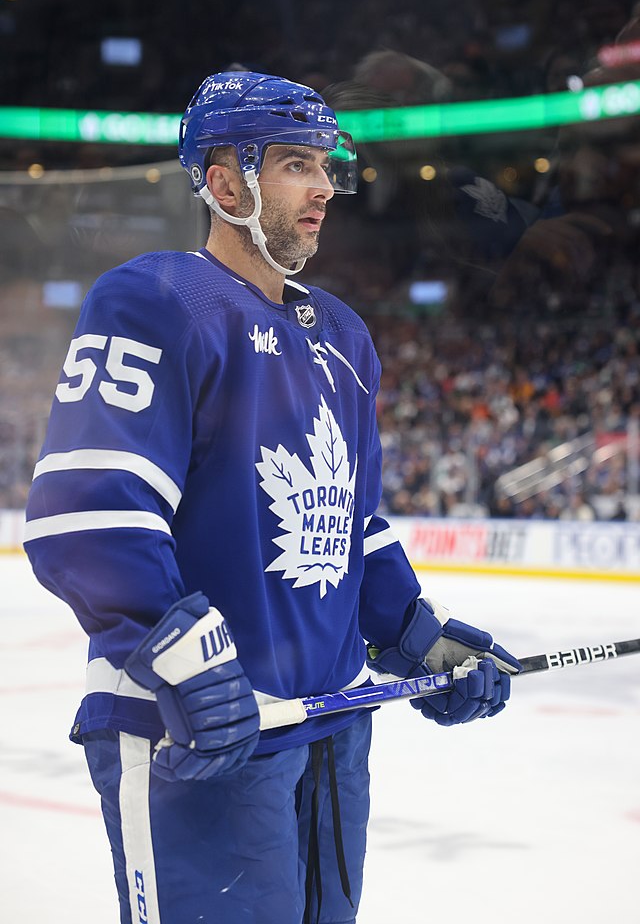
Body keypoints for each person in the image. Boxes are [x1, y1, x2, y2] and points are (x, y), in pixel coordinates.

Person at [23, 71, 520, 924]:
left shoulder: (345, 337)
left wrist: (415, 636)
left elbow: (353, 524)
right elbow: (87, 516)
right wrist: (177, 655)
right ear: (225, 183)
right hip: (200, 734)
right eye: (297, 164)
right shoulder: (157, 299)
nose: (326, 186)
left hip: (331, 725)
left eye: (325, 165)